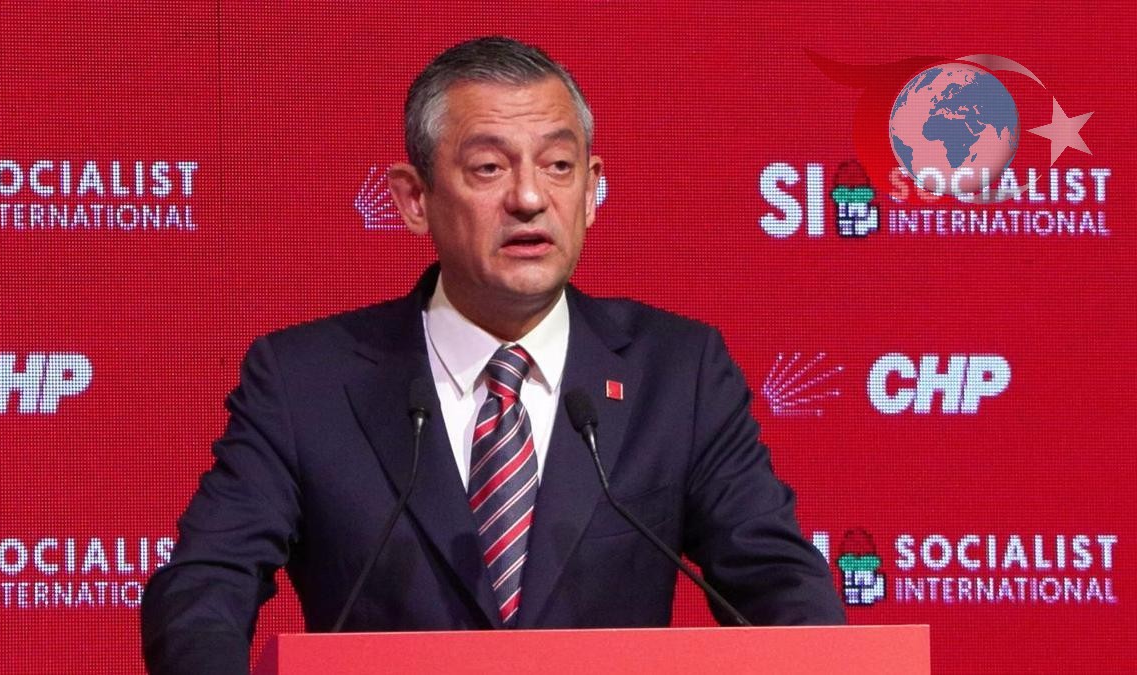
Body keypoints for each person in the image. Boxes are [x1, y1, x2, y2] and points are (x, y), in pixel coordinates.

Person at [141, 36, 844, 674]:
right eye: (488, 168)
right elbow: (205, 586)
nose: (530, 198)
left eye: (559, 166)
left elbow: (778, 581)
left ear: (591, 189)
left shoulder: (677, 372)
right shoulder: (305, 382)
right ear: (414, 200)